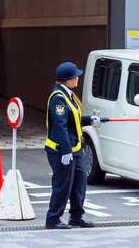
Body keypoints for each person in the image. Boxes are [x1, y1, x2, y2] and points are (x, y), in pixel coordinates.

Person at [44, 62, 101, 229]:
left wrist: (89, 120)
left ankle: (76, 216)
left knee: (79, 183)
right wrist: (66, 151)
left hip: (75, 150)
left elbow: (72, 120)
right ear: (66, 80)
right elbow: (59, 126)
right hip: (61, 151)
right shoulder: (58, 99)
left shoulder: (68, 96)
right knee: (63, 184)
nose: (77, 78)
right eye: (75, 76)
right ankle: (53, 219)